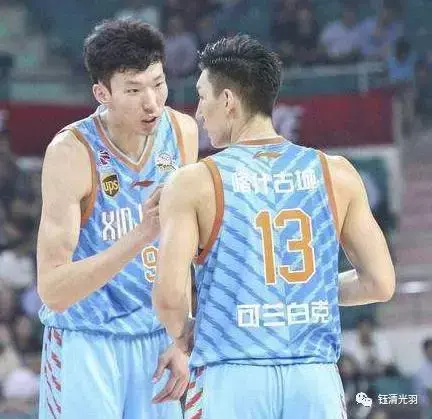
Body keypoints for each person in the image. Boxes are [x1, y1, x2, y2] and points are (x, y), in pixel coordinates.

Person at [152, 35, 395, 418]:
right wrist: (298, 296)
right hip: (314, 378)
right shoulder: (337, 173)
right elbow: (379, 283)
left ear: (228, 100)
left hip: (232, 375)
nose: (198, 113)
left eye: (202, 97)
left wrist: (183, 335)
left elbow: (168, 297)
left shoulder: (194, 182)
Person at [37, 19, 198, 419]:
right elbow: (53, 290)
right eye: (133, 90)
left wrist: (182, 337)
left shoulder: (183, 132)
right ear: (102, 93)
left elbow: (183, 251)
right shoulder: (71, 152)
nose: (151, 103)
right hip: (87, 340)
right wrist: (141, 234)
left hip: (157, 340)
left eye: (158, 84)